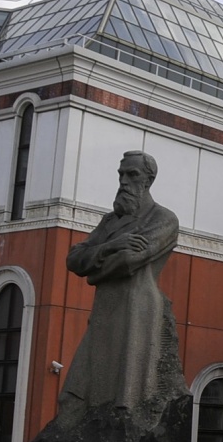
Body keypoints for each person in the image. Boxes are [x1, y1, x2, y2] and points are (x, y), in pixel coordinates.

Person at [60, 150, 183, 413]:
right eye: (121, 174)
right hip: (105, 308)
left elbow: (129, 261)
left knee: (123, 397)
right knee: (75, 395)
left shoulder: (163, 218)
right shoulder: (110, 220)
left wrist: (93, 273)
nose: (123, 181)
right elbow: (74, 259)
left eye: (132, 174)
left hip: (135, 309)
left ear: (148, 180)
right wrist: (110, 246)